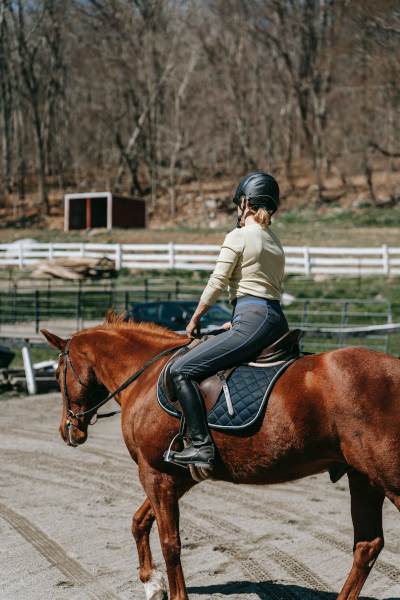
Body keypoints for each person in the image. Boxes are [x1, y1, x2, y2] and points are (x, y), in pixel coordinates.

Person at [165, 171, 289, 470]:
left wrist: (196, 318)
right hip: (273, 320)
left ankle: (201, 446)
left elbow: (217, 282)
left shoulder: (239, 236)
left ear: (245, 203)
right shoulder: (274, 241)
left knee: (181, 371)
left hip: (253, 318)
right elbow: (260, 286)